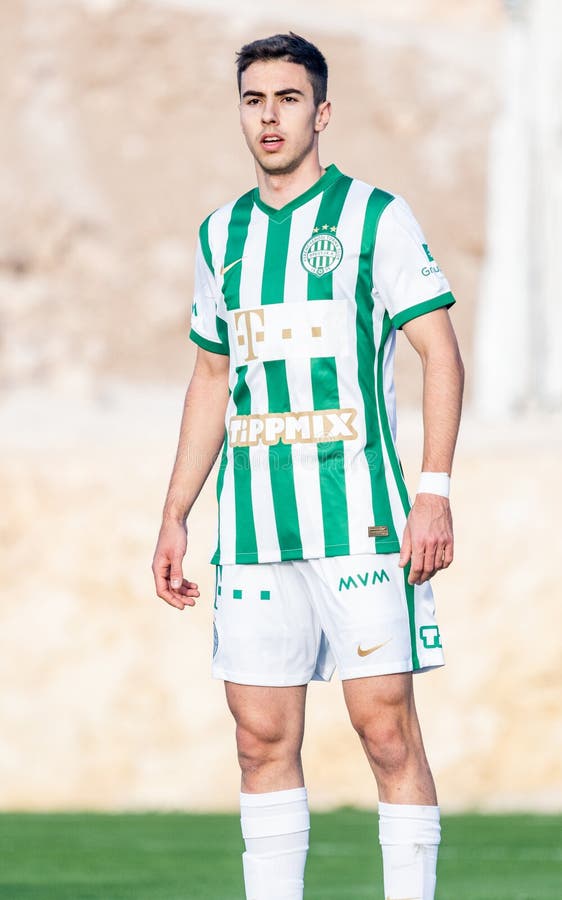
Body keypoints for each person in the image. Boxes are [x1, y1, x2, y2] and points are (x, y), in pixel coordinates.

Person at [152, 31, 464, 900]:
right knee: (258, 739)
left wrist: (433, 491)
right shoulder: (221, 236)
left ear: (321, 112)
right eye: (254, 100)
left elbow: (440, 354)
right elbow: (213, 375)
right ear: (241, 114)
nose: (271, 117)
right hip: (253, 531)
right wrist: (176, 513)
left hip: (362, 518)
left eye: (288, 99)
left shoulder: (375, 217)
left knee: (385, 730)